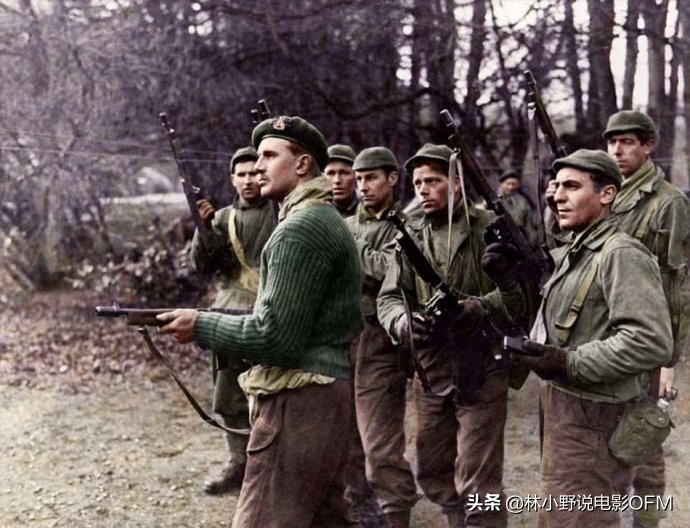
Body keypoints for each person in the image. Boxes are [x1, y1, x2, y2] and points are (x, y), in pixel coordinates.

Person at [159, 115, 364, 527]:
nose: (259, 166)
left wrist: (202, 324)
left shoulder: (299, 229)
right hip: (326, 394)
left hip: (299, 398)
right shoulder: (322, 218)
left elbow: (275, 337)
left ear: (302, 164)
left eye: (270, 156)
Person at [487, 150, 673, 527]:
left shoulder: (620, 254)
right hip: (566, 406)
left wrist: (568, 361)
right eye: (556, 186)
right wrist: (509, 282)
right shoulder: (579, 249)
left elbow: (650, 341)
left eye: (572, 187)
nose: (557, 196)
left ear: (606, 194)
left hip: (594, 414)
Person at [377, 143, 524, 527]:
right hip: (431, 367)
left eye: (433, 181)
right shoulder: (410, 234)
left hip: (483, 363)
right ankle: (457, 519)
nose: (423, 189)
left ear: (456, 183)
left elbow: (520, 296)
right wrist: (403, 323)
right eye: (418, 183)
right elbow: (389, 297)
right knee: (432, 466)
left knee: (479, 473)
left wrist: (480, 307)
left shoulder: (489, 228)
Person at [603, 110, 689, 528]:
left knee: (644, 442)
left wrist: (668, 360)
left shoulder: (668, 202)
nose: (617, 150)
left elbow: (676, 287)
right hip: (602, 337)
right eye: (611, 142)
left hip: (645, 341)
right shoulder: (603, 192)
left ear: (648, 146)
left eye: (627, 142)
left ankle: (647, 524)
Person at [189, 146, 277, 495]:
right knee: (228, 393)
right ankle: (237, 462)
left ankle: (268, 466)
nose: (249, 180)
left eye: (255, 172)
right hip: (228, 313)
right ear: (232, 180)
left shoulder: (280, 212)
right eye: (242, 174)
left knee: (272, 392)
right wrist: (203, 229)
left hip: (269, 312)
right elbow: (202, 266)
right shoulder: (222, 218)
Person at [347, 147, 419, 527]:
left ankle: (395, 513)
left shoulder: (407, 226)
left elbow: (389, 270)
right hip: (344, 335)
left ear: (392, 179)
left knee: (380, 444)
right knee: (345, 435)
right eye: (359, 179)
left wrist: (350, 248)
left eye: (371, 178)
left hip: (381, 338)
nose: (363, 186)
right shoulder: (347, 222)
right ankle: (361, 509)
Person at [497, 171, 539, 247]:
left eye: (513, 184)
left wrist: (532, 239)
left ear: (518, 185)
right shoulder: (494, 201)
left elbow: (528, 224)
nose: (510, 187)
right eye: (508, 184)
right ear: (501, 184)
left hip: (519, 238)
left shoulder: (522, 201)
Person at [325, 144, 359, 217]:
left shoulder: (370, 208)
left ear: (356, 176)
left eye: (344, 173)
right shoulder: (314, 211)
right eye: (331, 173)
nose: (337, 180)